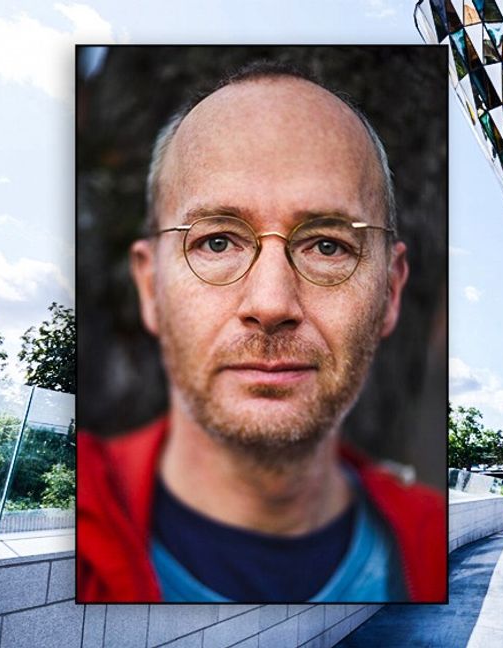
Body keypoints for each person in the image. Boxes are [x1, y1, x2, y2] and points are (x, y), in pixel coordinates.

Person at [76, 61, 446, 603]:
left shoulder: (433, 548)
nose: (271, 304)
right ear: (150, 285)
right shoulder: (72, 535)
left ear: (390, 291)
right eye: (218, 242)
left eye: (327, 246)